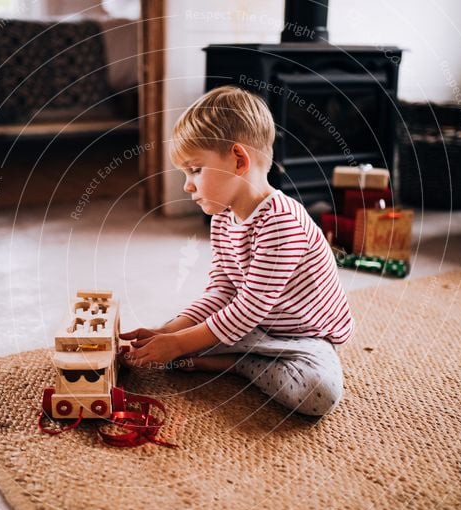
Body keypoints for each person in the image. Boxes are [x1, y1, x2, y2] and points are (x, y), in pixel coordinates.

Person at [121, 85, 353, 417]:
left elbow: (247, 308)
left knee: (318, 393)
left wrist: (180, 343)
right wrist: (168, 332)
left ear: (239, 160)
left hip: (301, 336)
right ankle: (228, 353)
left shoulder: (281, 224)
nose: (187, 185)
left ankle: (237, 365)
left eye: (195, 170)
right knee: (181, 337)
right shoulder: (223, 219)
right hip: (253, 327)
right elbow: (223, 290)